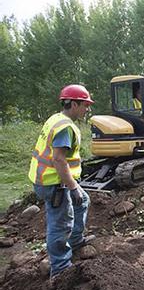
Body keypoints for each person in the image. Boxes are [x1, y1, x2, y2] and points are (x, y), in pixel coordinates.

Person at [28, 84, 95, 277]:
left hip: (49, 179)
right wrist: (73, 187)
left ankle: (75, 240)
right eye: (85, 105)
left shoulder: (55, 119)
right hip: (54, 183)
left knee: (83, 202)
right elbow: (58, 158)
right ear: (74, 104)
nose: (87, 109)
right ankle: (60, 270)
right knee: (60, 224)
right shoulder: (65, 128)